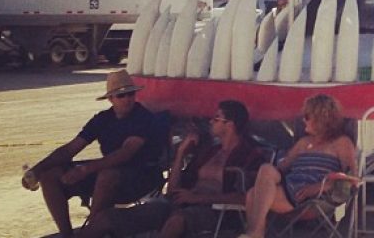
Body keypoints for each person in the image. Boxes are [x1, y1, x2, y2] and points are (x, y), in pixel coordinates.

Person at [83, 100, 265, 238]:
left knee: (176, 221)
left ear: (230, 125)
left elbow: (247, 198)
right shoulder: (208, 152)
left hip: (215, 212)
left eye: (216, 118)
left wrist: (196, 198)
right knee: (107, 218)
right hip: (180, 205)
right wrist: (181, 153)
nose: (211, 122)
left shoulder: (249, 156)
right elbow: (172, 190)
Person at [22, 69, 163, 238]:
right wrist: (37, 170)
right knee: (50, 175)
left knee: (107, 175)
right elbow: (71, 148)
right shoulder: (102, 119)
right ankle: (66, 234)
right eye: (121, 95)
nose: (127, 99)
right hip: (111, 174)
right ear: (111, 99)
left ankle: (91, 231)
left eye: (131, 94)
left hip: (142, 176)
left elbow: (126, 153)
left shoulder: (143, 118)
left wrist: (85, 169)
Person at [241, 94, 356, 238]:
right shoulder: (303, 142)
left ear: (321, 118)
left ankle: (255, 234)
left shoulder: (341, 142)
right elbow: (282, 167)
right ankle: (255, 234)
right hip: (291, 186)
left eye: (307, 117)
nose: (303, 120)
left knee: (253, 194)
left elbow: (351, 177)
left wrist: (318, 187)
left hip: (313, 197)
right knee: (265, 169)